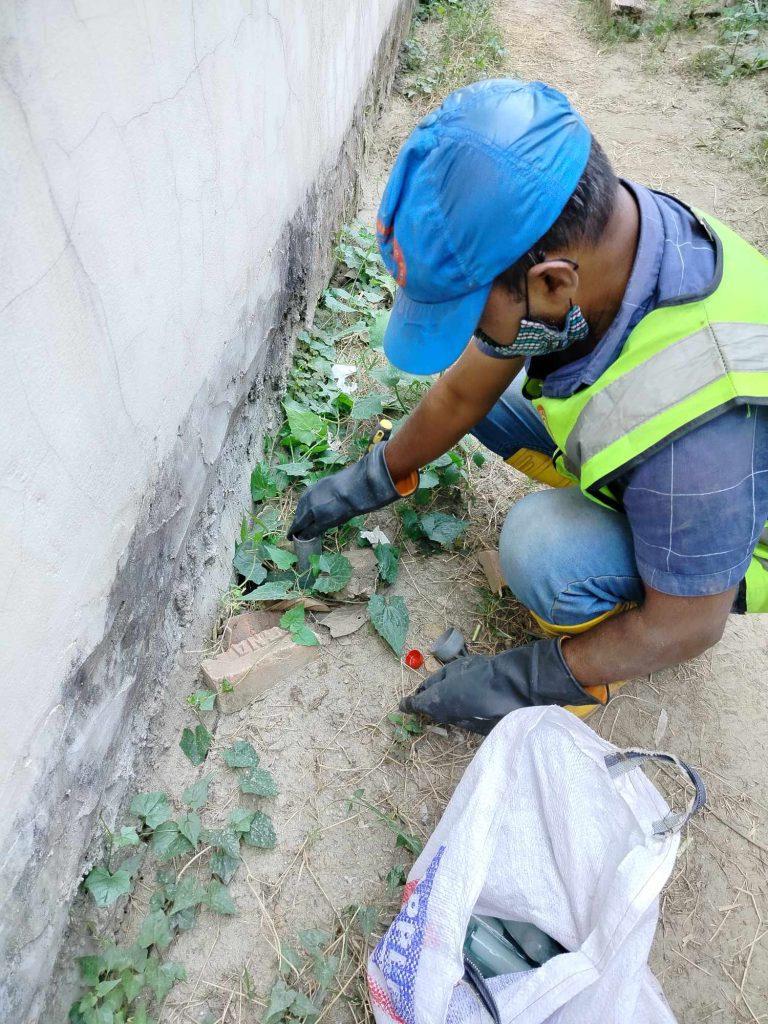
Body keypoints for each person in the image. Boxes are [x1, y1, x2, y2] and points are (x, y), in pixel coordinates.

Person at [289, 78, 768, 735]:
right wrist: (373, 476)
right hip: (662, 460)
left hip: (721, 538)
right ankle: (614, 501)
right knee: (489, 381)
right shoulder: (611, 246)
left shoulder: (700, 445)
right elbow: (463, 388)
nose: (469, 334)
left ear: (551, 283)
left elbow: (688, 625)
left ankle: (587, 672)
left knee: (542, 549)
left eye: (473, 309)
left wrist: (517, 679)